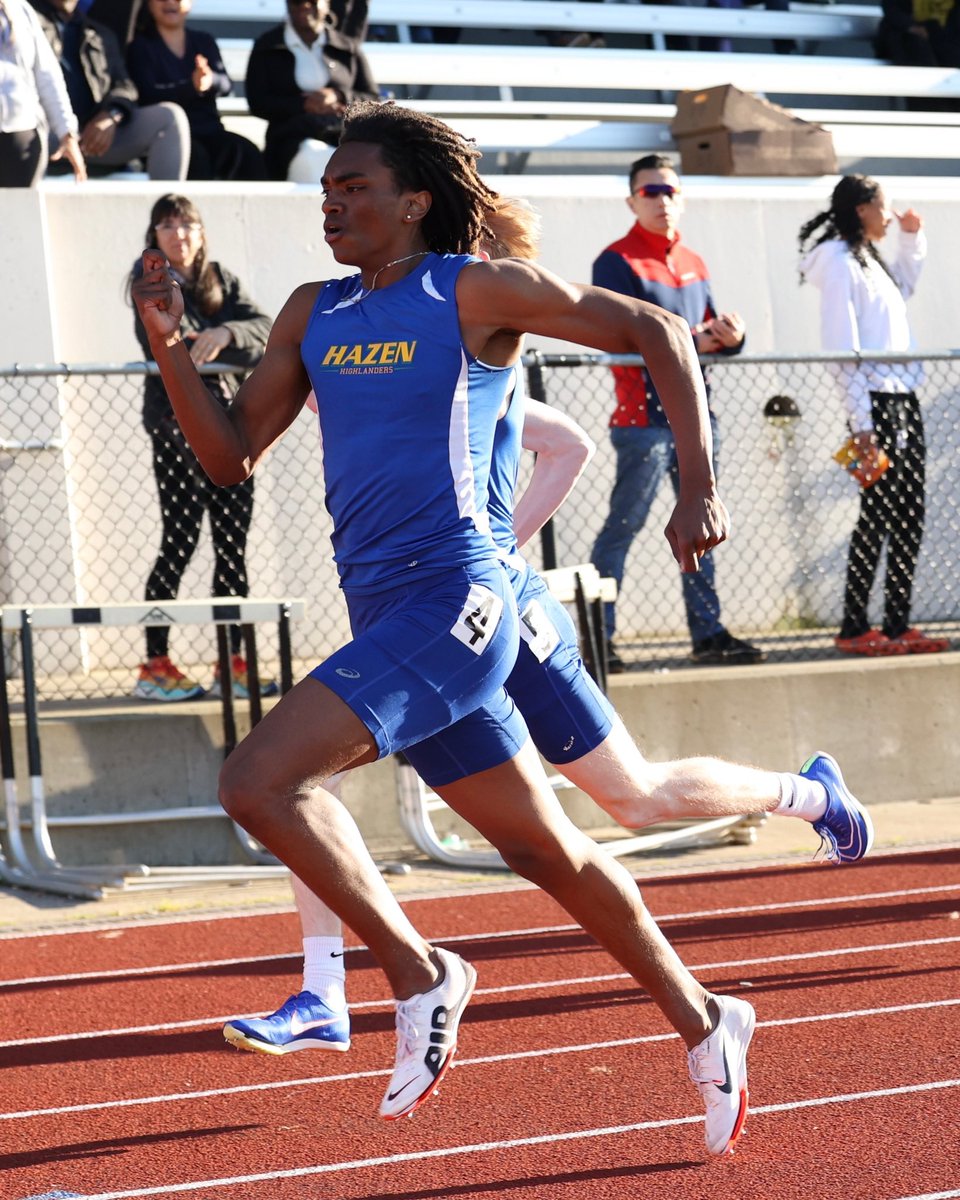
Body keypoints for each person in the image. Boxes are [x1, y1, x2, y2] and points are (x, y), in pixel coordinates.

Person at [132, 99, 764, 1156]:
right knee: (545, 849)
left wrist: (695, 488)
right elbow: (230, 458)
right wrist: (169, 349)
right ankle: (708, 1021)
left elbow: (652, 329)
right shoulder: (310, 312)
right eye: (325, 188)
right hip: (385, 607)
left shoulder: (470, 289)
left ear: (414, 201)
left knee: (258, 781)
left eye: (354, 187)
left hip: (458, 602)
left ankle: (422, 973)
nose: (330, 203)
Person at [220, 199, 872, 1113]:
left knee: (628, 796)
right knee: (532, 834)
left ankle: (808, 794)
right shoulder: (360, 328)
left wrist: (517, 542)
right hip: (420, 603)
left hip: (489, 603)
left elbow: (564, 442)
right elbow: (266, 415)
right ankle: (351, 984)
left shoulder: (474, 330)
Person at [590, 154, 764, 672]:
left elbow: (708, 335)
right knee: (623, 526)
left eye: (669, 190)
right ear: (631, 200)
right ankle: (600, 641)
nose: (662, 200)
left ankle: (708, 635)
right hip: (643, 419)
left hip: (695, 417)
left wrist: (732, 339)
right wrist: (698, 339)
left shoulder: (693, 261)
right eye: (650, 192)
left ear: (681, 197)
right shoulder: (615, 260)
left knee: (701, 523)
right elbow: (615, 337)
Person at [130, 193, 277, 702]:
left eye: (186, 224)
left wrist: (226, 330)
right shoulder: (150, 275)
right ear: (155, 237)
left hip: (227, 426)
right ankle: (156, 663)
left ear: (200, 232)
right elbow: (176, 339)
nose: (178, 234)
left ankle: (232, 661)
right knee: (181, 537)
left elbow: (266, 331)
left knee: (231, 546)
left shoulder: (221, 279)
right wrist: (209, 341)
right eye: (166, 226)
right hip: (176, 427)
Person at [798, 175, 950, 657]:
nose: (889, 214)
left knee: (910, 513)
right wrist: (861, 424)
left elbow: (904, 285)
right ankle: (854, 624)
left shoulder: (870, 259)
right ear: (863, 209)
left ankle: (898, 622)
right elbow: (843, 350)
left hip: (902, 397)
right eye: (883, 207)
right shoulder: (839, 262)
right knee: (878, 514)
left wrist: (910, 237)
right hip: (876, 405)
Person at [30, 0, 188, 178]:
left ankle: (167, 205)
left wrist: (111, 115)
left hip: (93, 140)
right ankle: (23, 202)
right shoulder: (24, 23)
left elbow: (125, 86)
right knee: (27, 125)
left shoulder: (98, 34)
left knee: (169, 117)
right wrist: (63, 129)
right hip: (46, 136)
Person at [126, 0, 266, 180]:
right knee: (196, 159)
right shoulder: (140, 47)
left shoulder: (203, 41)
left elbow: (226, 84)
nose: (170, 3)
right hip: (171, 136)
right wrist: (190, 86)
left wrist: (209, 80)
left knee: (248, 153)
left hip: (211, 129)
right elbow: (147, 94)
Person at [244, 0, 378, 184]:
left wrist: (338, 95)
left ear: (327, 4)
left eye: (313, 2)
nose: (305, 7)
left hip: (342, 133)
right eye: (296, 2)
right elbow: (258, 102)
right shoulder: (267, 46)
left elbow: (372, 97)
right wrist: (304, 105)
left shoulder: (347, 47)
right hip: (291, 136)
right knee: (315, 156)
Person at [1, 0, 85, 185]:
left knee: (19, 212)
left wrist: (67, 133)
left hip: (20, 136)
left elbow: (48, 75)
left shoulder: (20, 9)